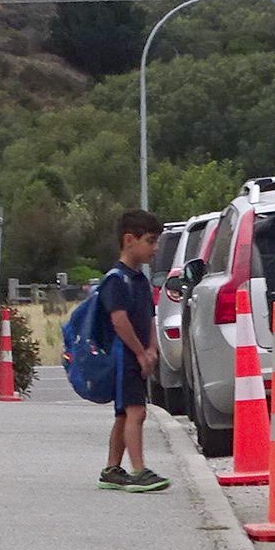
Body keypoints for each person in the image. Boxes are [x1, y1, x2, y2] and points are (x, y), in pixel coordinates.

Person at [99, 210, 171, 493]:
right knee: (136, 412)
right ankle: (138, 470)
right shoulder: (116, 280)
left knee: (123, 414)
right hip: (125, 356)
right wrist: (140, 353)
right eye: (150, 241)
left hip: (138, 354)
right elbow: (119, 320)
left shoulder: (140, 279)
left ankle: (112, 468)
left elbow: (148, 317)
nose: (155, 249)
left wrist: (152, 348)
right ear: (129, 240)